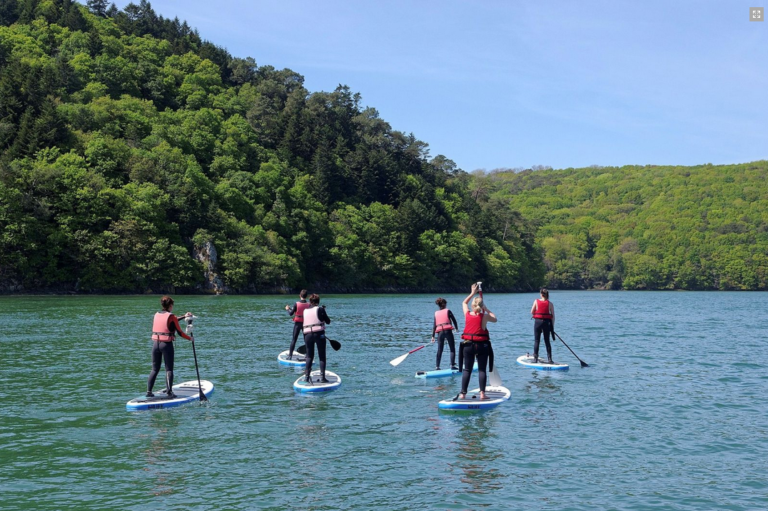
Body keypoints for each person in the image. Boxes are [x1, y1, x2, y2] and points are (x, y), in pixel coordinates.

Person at [147, 296, 192, 398]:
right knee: (169, 370)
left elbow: (172, 321)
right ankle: (169, 392)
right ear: (170, 305)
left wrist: (184, 316)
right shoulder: (171, 316)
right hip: (166, 345)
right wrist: (190, 339)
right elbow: (180, 332)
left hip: (156, 345)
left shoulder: (157, 314)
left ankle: (149, 392)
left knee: (155, 369)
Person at [459, 283, 497, 400]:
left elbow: (464, 303)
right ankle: (482, 394)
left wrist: (472, 293)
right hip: (482, 346)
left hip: (468, 346)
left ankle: (463, 394)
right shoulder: (484, 316)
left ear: (472, 306)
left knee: (467, 369)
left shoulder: (467, 314)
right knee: (482, 369)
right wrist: (486, 308)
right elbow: (495, 319)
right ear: (481, 306)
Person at [302, 294, 331, 383]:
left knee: (309, 356)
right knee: (322, 356)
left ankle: (307, 377)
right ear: (318, 302)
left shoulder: (305, 311)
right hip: (319, 334)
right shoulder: (320, 309)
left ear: (310, 302)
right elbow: (328, 321)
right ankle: (323, 378)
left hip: (307, 335)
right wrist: (323, 312)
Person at [431, 297, 459, 370]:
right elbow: (454, 320)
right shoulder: (448, 311)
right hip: (448, 331)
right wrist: (456, 328)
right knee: (452, 349)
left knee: (440, 350)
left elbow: (434, 326)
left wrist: (433, 337)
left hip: (440, 333)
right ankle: (452, 365)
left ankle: (437, 366)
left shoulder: (436, 313)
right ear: (444, 304)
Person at [530, 288, 555, 363]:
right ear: (547, 294)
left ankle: (535, 359)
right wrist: (552, 327)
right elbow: (553, 316)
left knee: (537, 340)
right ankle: (550, 359)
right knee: (547, 341)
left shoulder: (536, 301)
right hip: (546, 323)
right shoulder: (550, 303)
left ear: (541, 294)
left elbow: (532, 312)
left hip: (538, 323)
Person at [284, 289, 309, 360]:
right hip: (305, 324)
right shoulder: (309, 304)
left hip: (298, 324)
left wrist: (287, 309)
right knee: (306, 340)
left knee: (294, 340)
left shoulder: (296, 304)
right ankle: (307, 355)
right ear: (306, 296)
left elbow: (291, 313)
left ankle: (290, 356)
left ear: (300, 295)